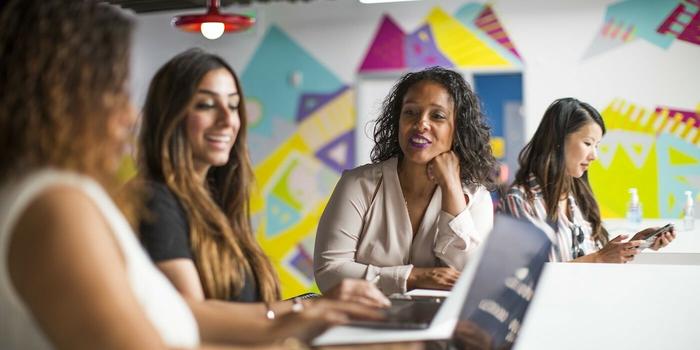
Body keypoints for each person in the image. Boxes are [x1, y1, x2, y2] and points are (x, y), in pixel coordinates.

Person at [0, 2, 380, 349]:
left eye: (233, 106)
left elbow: (178, 323)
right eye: (111, 89)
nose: (126, 112)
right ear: (58, 97)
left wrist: (303, 315)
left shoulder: (64, 198)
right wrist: (298, 328)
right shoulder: (55, 205)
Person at [136, 48, 389, 345]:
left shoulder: (215, 203)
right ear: (169, 115)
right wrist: (306, 309)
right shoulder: (154, 200)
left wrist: (319, 303)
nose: (226, 120)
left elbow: (250, 311)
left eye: (232, 106)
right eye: (206, 105)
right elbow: (190, 316)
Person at [314, 66, 497, 295]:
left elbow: (471, 278)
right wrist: (412, 277)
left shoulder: (476, 198)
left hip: (439, 328)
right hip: (360, 324)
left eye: (437, 116)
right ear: (397, 121)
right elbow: (329, 272)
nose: (421, 124)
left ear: (457, 128)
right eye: (410, 112)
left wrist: (451, 186)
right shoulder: (358, 185)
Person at [503, 97, 676, 263]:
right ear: (558, 140)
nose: (595, 155)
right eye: (588, 143)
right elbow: (527, 277)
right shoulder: (520, 201)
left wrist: (635, 244)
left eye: (597, 146)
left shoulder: (578, 195)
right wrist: (599, 258)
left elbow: (591, 257)